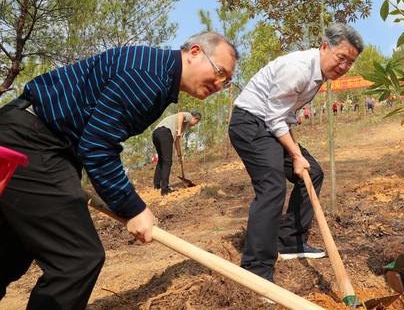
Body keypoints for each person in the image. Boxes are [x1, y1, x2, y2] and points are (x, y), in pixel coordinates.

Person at [0, 31, 237, 308]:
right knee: (78, 259)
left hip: (29, 135)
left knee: (9, 255)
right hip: (32, 142)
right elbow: (97, 146)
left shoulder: (156, 72)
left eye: (227, 80)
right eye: (220, 71)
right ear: (194, 52)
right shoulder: (148, 77)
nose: (220, 83)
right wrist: (132, 207)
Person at [228, 23, 363, 282]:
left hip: (270, 125)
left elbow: (284, 117)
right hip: (250, 124)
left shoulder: (319, 74)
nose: (344, 67)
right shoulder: (299, 69)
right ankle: (256, 269)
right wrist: (296, 155)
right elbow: (274, 118)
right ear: (325, 47)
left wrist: (298, 153)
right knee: (272, 187)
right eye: (341, 58)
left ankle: (289, 241)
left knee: (314, 173)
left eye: (350, 62)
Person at [152, 110, 201, 195]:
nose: (195, 124)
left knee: (162, 160)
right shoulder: (189, 116)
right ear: (194, 118)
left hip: (156, 134)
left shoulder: (182, 125)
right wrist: (178, 129)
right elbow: (181, 115)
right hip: (165, 133)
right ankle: (165, 189)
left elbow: (177, 140)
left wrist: (179, 155)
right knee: (167, 161)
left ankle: (157, 185)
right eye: (196, 122)